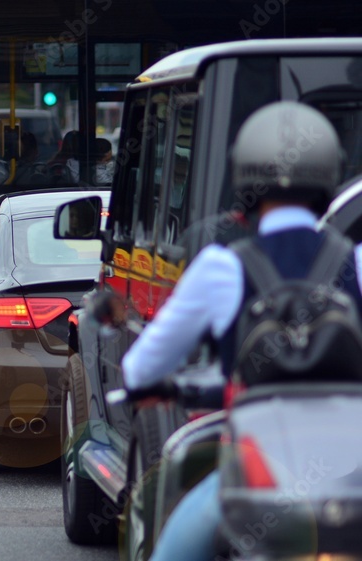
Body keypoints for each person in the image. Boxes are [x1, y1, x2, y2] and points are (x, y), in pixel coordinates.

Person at [121, 101, 362, 561]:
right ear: (332, 172)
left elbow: (138, 370)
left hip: (258, 476)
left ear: (245, 179)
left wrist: (158, 386)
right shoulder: (359, 262)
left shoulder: (221, 268)